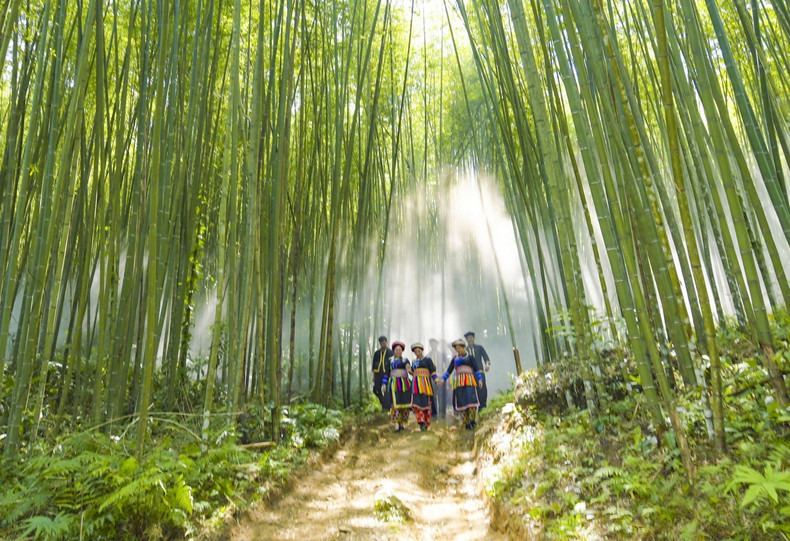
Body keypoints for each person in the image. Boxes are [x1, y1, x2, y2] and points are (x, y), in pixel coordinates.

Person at [439, 338, 483, 430]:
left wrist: (479, 379)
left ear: (464, 347)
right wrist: (443, 379)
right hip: (459, 383)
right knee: (462, 401)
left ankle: (472, 420)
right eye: (456, 349)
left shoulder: (470, 357)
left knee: (471, 400)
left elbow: (476, 368)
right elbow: (449, 370)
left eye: (460, 348)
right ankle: (466, 422)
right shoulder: (454, 359)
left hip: (469, 381)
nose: (458, 350)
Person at [381, 341, 412, 432]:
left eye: (400, 350)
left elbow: (409, 371)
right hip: (394, 384)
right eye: (396, 350)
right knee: (395, 404)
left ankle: (402, 422)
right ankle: (397, 424)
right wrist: (384, 384)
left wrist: (410, 370)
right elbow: (386, 373)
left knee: (405, 404)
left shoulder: (406, 360)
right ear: (394, 351)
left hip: (405, 384)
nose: (398, 351)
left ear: (402, 351)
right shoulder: (390, 360)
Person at [410, 343, 438, 431]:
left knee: (426, 403)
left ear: (422, 351)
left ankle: (426, 422)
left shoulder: (428, 360)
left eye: (419, 351)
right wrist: (409, 370)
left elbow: (432, 371)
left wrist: (436, 380)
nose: (417, 353)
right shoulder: (414, 362)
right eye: (415, 352)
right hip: (416, 385)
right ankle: (421, 422)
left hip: (426, 384)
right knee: (417, 404)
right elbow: (413, 372)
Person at [464, 331, 490, 409]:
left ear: (474, 338)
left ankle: (483, 407)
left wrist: (487, 365)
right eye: (468, 338)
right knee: (471, 392)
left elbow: (486, 357)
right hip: (469, 374)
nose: (469, 340)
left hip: (480, 372)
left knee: (482, 390)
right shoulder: (465, 350)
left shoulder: (479, 348)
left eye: (471, 338)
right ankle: (473, 408)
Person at [427, 338, 449, 418]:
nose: (433, 345)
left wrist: (446, 377)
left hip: (441, 377)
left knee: (441, 395)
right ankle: (434, 413)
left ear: (437, 344)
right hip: (432, 378)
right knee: (432, 395)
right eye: (431, 344)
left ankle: (442, 413)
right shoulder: (427, 356)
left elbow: (447, 365)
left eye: (434, 343)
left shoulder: (442, 354)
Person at [372, 336, 393, 411]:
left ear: (386, 342)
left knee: (386, 390)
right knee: (376, 389)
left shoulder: (391, 352)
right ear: (380, 344)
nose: (383, 344)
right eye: (382, 343)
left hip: (387, 374)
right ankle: (383, 404)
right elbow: (374, 365)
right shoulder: (377, 353)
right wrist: (373, 376)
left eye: (384, 342)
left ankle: (387, 407)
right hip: (378, 374)